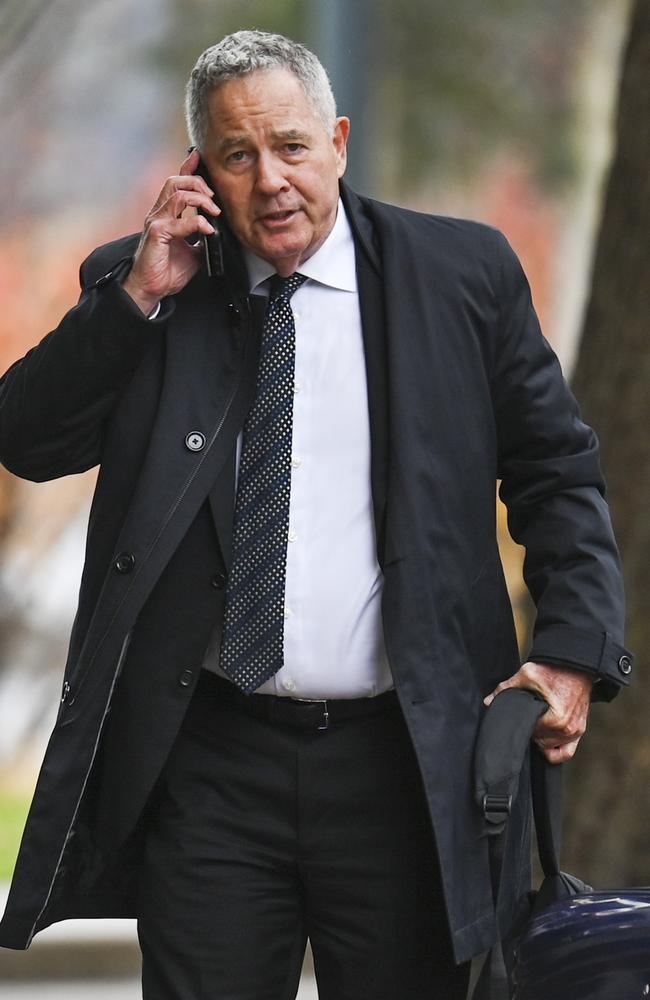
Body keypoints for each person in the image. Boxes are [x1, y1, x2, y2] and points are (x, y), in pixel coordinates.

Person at [0, 28, 632, 1000]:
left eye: (291, 146)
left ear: (336, 140)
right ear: (198, 170)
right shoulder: (151, 285)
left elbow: (554, 469)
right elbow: (28, 442)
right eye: (236, 155)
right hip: (211, 767)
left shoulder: (458, 276)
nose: (271, 180)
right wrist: (136, 297)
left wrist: (570, 648)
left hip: (404, 764)